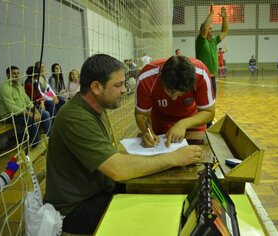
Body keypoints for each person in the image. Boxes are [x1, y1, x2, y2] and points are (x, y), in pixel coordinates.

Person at [43, 54, 202, 234]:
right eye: (118, 85)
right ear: (96, 87)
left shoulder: (96, 108)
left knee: (161, 198)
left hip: (98, 190)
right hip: (75, 208)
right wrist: (174, 158)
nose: (125, 90)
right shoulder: (75, 117)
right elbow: (117, 170)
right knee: (154, 215)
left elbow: (111, 158)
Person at [135, 56, 215, 147]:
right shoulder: (146, 78)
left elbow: (209, 112)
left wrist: (183, 124)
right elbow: (141, 114)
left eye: (180, 94)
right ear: (161, 79)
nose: (174, 98)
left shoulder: (201, 74)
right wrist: (147, 132)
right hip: (161, 123)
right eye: (169, 92)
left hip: (192, 123)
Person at [0, 66, 50, 147]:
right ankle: (36, 145)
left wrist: (35, 111)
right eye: (14, 73)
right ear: (8, 75)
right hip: (9, 116)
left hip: (22, 112)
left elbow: (27, 101)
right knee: (30, 120)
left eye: (18, 73)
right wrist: (31, 114)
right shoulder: (4, 89)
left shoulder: (19, 86)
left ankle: (50, 137)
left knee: (45, 114)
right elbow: (13, 109)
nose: (17, 75)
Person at [195, 3, 228, 97]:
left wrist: (224, 18)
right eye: (210, 29)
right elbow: (205, 29)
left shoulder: (213, 40)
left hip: (212, 78)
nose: (212, 30)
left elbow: (224, 32)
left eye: (212, 28)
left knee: (212, 101)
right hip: (202, 79)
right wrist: (211, 13)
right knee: (203, 103)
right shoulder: (200, 41)